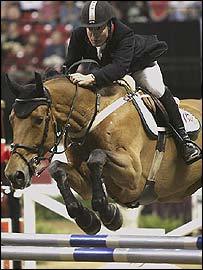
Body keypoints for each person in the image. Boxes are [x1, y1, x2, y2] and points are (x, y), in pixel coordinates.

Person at [63, 1, 201, 165]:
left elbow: (120, 68)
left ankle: (184, 141)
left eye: (99, 28)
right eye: (90, 29)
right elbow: (70, 65)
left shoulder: (123, 33)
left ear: (109, 24)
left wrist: (91, 77)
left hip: (139, 67)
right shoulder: (79, 35)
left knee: (156, 90)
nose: (93, 35)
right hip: (108, 71)